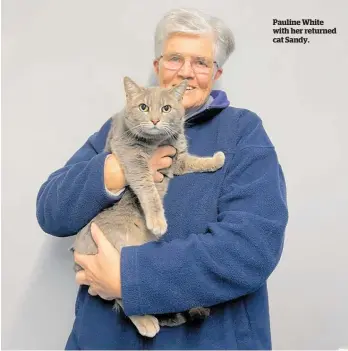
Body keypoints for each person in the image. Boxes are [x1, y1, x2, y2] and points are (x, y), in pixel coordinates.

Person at [36, 8, 288, 350]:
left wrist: (129, 277)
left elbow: (251, 249)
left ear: (216, 72)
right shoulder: (119, 127)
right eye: (174, 58)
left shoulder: (243, 132)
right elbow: (51, 211)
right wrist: (115, 169)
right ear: (157, 66)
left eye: (201, 62)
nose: (186, 71)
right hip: (107, 339)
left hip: (208, 341)